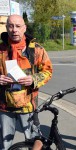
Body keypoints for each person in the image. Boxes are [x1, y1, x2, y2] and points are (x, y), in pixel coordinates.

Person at [0, 14, 53, 150]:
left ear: (24, 28)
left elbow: (48, 71)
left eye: (18, 26)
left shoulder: (36, 49)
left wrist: (33, 79)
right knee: (5, 145)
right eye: (11, 26)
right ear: (6, 28)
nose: (14, 30)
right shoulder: (1, 50)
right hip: (5, 107)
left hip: (28, 106)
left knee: (34, 143)